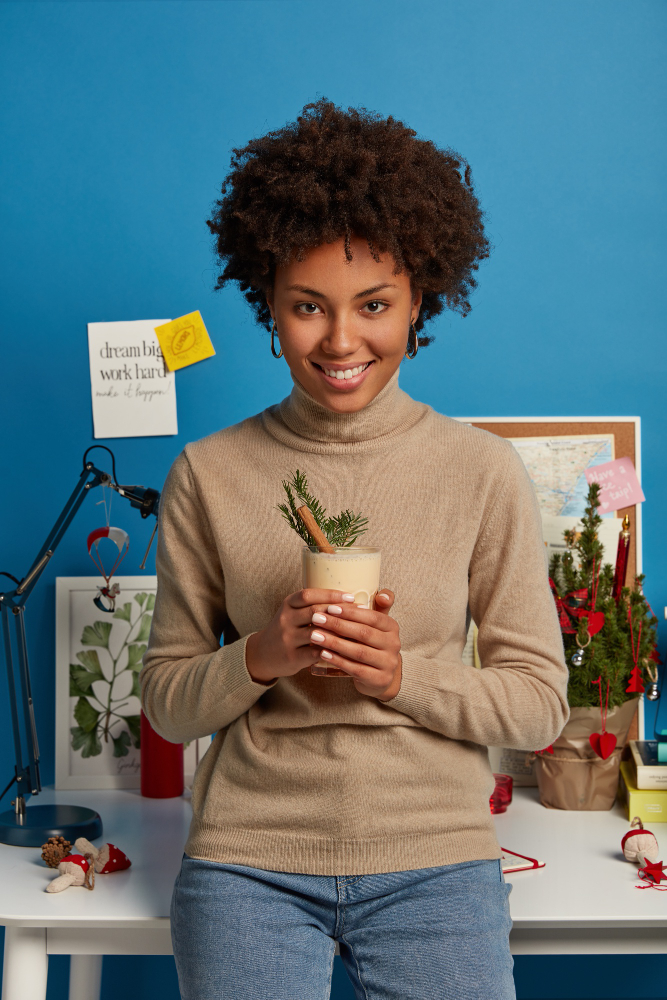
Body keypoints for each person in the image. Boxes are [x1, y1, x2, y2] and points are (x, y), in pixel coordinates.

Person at [141, 99, 569, 1000]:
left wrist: (398, 675)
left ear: (421, 300)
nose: (340, 341)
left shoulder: (479, 472)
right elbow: (170, 706)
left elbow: (537, 709)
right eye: (307, 308)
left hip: (435, 861)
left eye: (373, 305)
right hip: (248, 861)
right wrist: (261, 655)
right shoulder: (208, 474)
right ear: (269, 305)